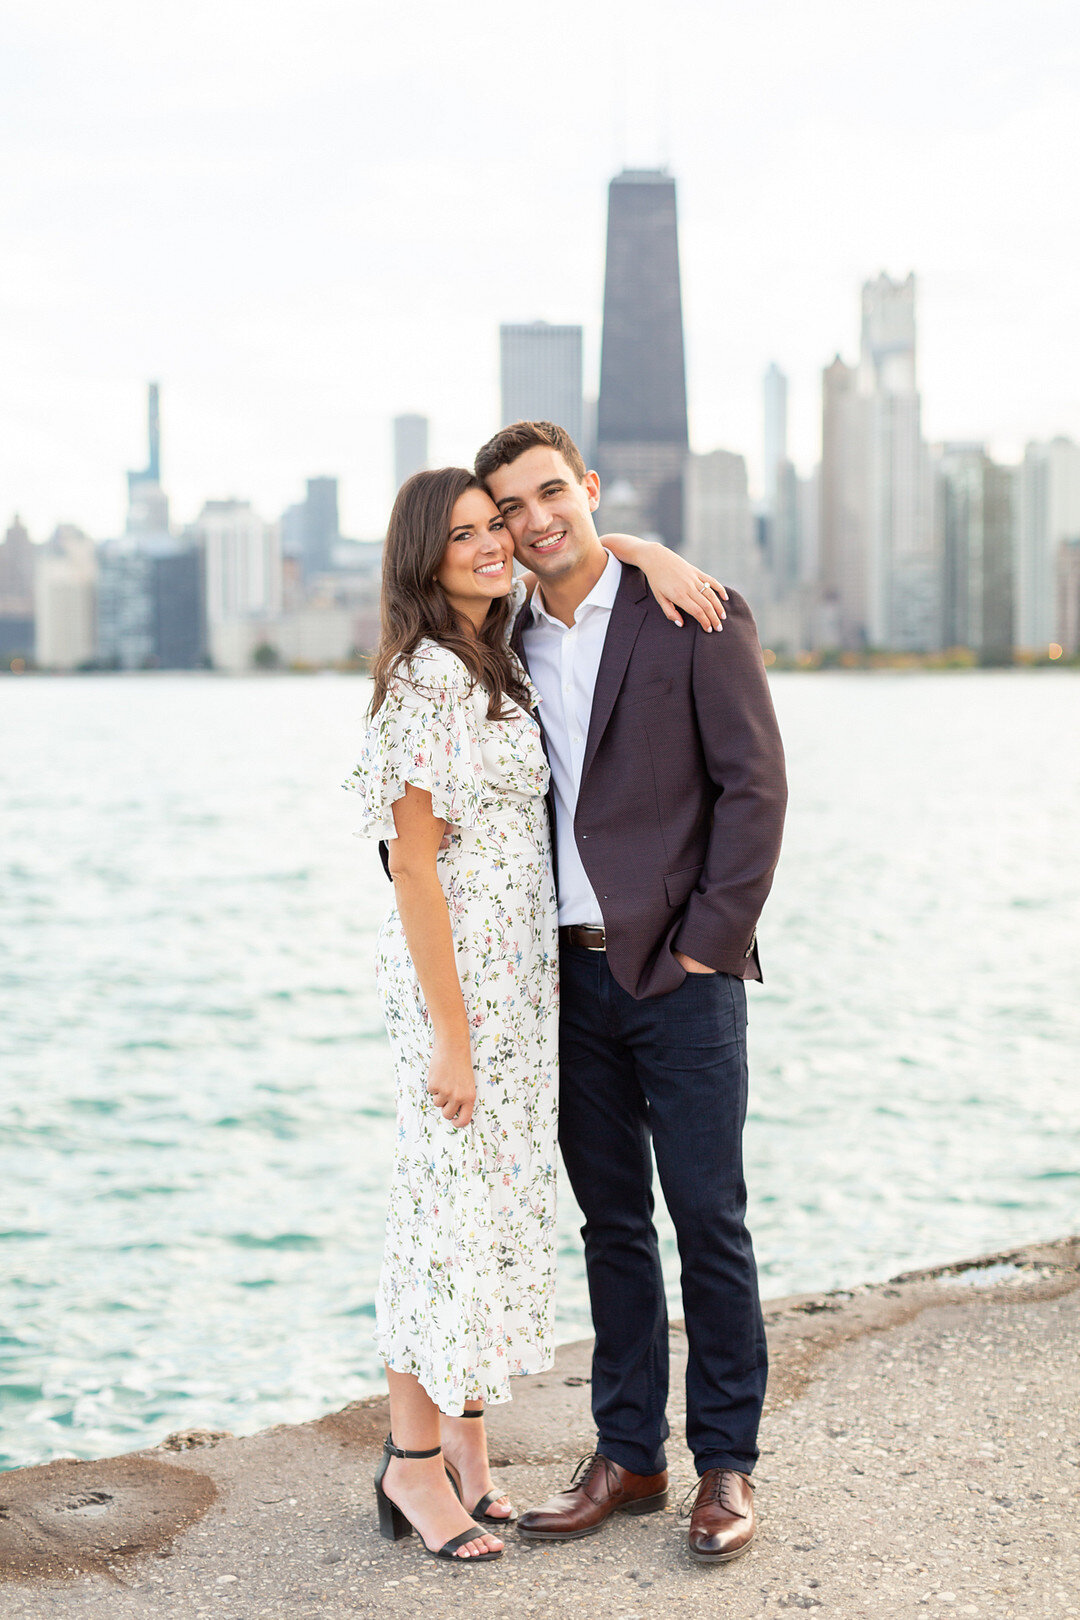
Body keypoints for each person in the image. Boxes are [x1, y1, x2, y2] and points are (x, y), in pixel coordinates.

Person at [348, 466, 727, 1563]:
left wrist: (648, 552)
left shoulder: (497, 652)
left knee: (494, 1212)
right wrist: (453, 1036)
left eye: (493, 525)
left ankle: (467, 1444)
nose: (488, 545)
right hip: (458, 991)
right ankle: (412, 1468)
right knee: (441, 1214)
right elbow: (413, 871)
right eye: (461, 533)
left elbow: (585, 569)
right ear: (422, 554)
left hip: (524, 987)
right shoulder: (424, 679)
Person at [473, 421, 787, 1565]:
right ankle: (629, 1454)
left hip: (682, 973)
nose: (535, 517)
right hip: (565, 977)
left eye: (550, 491)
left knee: (708, 1218)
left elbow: (754, 789)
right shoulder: (500, 641)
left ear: (588, 489)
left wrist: (709, 944)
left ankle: (727, 1466)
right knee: (610, 1223)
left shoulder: (694, 613)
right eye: (511, 506)